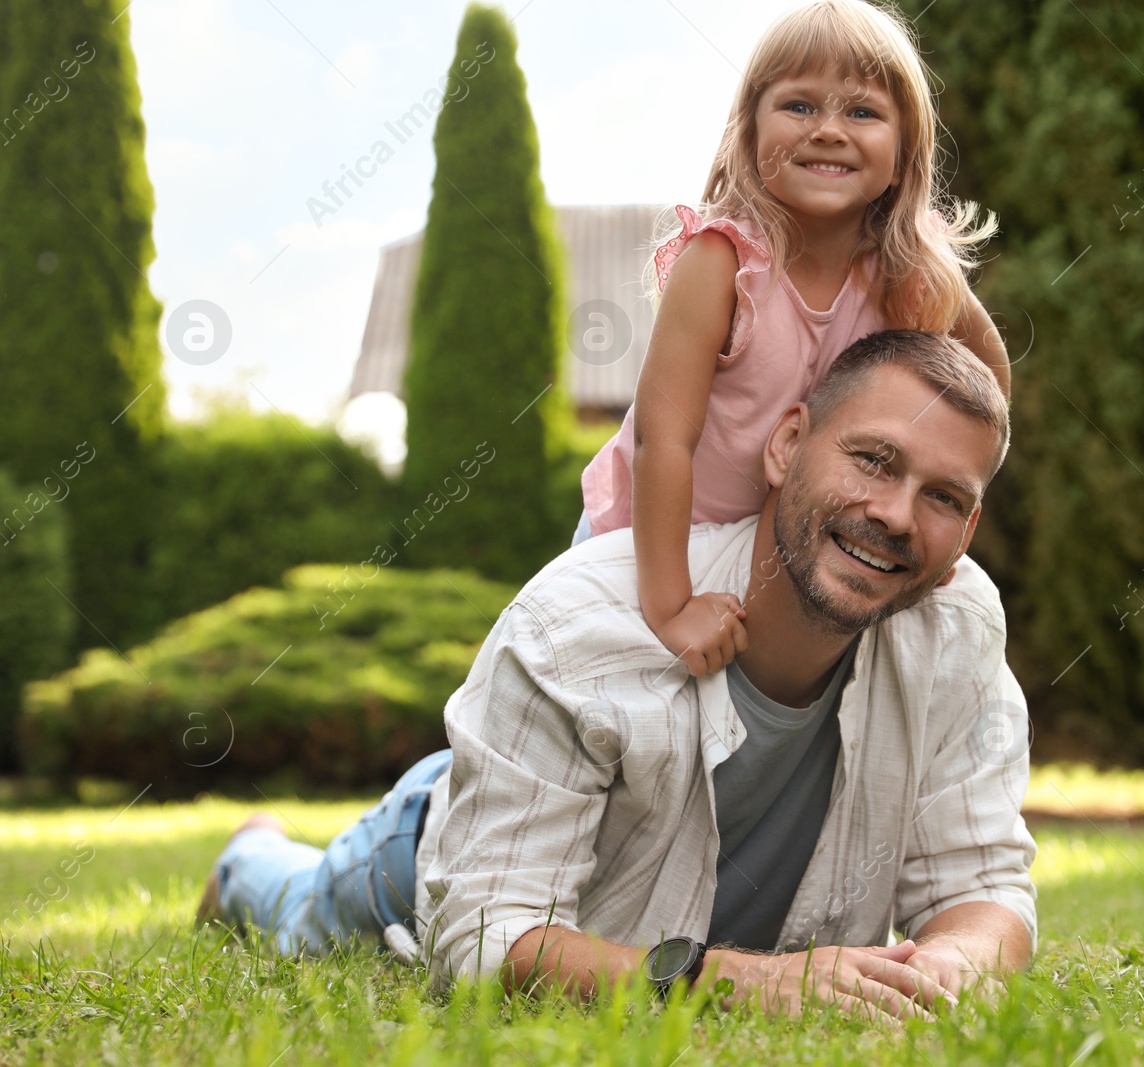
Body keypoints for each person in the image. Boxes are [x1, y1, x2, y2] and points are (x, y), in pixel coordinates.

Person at [198, 331, 1035, 1023]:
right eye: (875, 460)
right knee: (299, 907)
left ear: (967, 528)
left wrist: (950, 969)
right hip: (436, 836)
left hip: (560, 804)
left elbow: (985, 884)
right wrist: (741, 982)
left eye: (941, 496)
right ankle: (248, 858)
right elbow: (486, 937)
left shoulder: (957, 629)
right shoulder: (580, 623)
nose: (894, 515)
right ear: (787, 444)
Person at [577, 0, 1011, 678]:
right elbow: (663, 438)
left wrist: (941, 521)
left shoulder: (906, 272)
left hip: (785, 546)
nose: (829, 131)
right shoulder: (722, 263)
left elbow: (989, 376)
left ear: (903, 155)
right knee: (597, 694)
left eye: (862, 112)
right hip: (652, 540)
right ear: (750, 131)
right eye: (800, 106)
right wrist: (669, 605)